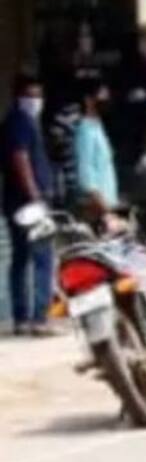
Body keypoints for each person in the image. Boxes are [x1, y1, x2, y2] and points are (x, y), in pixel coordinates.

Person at [3, 72, 54, 336]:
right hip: (27, 203)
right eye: (31, 95)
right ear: (20, 97)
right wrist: (34, 194)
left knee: (21, 259)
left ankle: (22, 318)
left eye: (39, 95)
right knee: (42, 257)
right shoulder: (22, 121)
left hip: (16, 202)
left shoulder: (19, 120)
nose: (36, 100)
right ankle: (39, 318)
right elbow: (20, 159)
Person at [70, 77, 118, 220]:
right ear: (88, 100)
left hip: (106, 206)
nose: (105, 101)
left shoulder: (98, 127)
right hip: (96, 210)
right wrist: (105, 212)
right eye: (101, 96)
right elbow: (86, 174)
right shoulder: (85, 130)